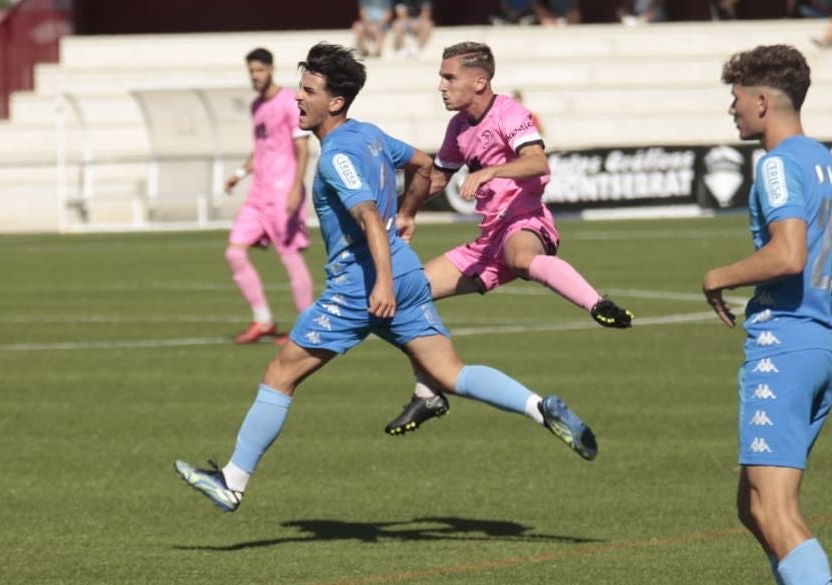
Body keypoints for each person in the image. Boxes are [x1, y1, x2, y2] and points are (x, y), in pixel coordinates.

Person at [174, 42, 598, 513]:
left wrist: (379, 280)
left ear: (335, 101)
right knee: (451, 373)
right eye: (300, 87)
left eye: (308, 90)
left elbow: (371, 219)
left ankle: (232, 481)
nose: (297, 98)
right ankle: (541, 409)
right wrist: (409, 214)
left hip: (361, 287)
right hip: (409, 274)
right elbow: (423, 165)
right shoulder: (371, 135)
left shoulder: (336, 155)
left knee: (280, 373)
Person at [385, 42, 632, 436]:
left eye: (449, 77)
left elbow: (537, 160)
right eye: (441, 77)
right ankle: (427, 392)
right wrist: (402, 211)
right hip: (486, 244)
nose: (441, 86)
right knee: (404, 294)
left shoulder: (509, 113)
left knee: (520, 256)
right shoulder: (458, 127)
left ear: (479, 81)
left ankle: (597, 303)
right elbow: (437, 178)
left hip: (525, 222)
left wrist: (490, 172)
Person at [702, 44, 832, 585]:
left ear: (763, 102)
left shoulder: (777, 165)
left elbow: (788, 254)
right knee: (754, 506)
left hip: (785, 348)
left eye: (737, 98)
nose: (733, 109)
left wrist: (716, 277)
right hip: (822, 348)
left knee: (774, 511)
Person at [223, 48, 313, 345]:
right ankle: (263, 319)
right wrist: (238, 173)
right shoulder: (256, 107)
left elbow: (302, 148)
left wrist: (296, 188)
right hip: (258, 194)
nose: (255, 76)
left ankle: (305, 327)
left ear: (271, 69)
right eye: (251, 71)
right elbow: (261, 150)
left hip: (283, 191)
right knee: (234, 252)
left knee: (289, 257)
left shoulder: (289, 101)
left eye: (259, 70)